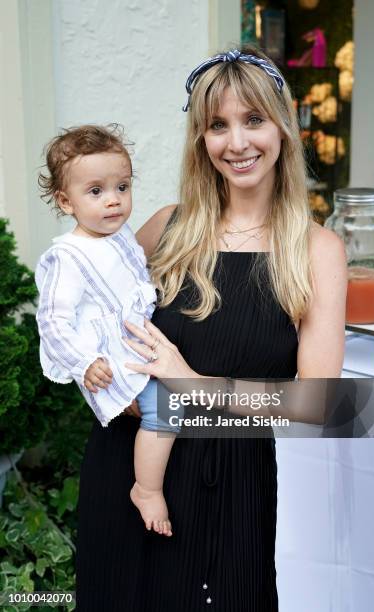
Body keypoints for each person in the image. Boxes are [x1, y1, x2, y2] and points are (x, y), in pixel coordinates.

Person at [76, 46, 347, 611]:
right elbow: (87, 317)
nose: (237, 142)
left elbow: (315, 401)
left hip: (230, 484)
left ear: (283, 126)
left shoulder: (317, 250)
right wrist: (111, 386)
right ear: (201, 139)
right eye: (217, 125)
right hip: (127, 470)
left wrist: (187, 380)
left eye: (253, 120)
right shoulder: (164, 229)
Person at [36, 124, 181, 539]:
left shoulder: (118, 237)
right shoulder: (68, 256)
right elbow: (53, 320)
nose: (113, 200)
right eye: (95, 191)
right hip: (107, 358)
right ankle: (147, 489)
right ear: (66, 201)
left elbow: (133, 286)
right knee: (167, 408)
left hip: (135, 342)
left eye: (122, 186)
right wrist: (86, 362)